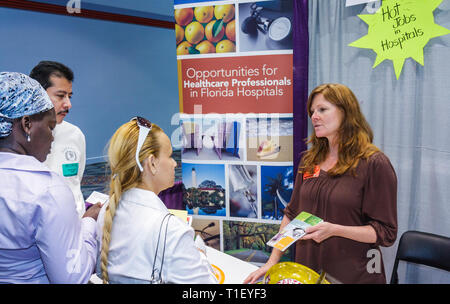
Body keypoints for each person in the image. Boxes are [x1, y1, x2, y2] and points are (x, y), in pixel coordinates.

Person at [245, 83, 397, 284]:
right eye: (312, 111)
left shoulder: (374, 164)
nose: (314, 116)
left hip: (354, 275)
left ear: (346, 112)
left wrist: (335, 229)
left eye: (322, 109)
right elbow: (292, 213)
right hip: (307, 272)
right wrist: (272, 261)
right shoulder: (310, 160)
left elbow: (386, 233)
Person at [0, 72, 101, 283]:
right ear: (27, 124)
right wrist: (89, 225)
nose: (52, 136)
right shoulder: (47, 190)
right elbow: (73, 278)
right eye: (49, 127)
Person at [96, 117, 217, 284]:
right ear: (152, 163)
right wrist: (200, 255)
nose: (175, 163)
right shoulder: (172, 231)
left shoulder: (107, 212)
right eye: (169, 155)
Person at [29, 61, 86, 217]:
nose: (68, 104)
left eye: (69, 96)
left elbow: (76, 181)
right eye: (61, 96)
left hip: (78, 227)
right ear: (37, 94)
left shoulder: (75, 134)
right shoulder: (17, 140)